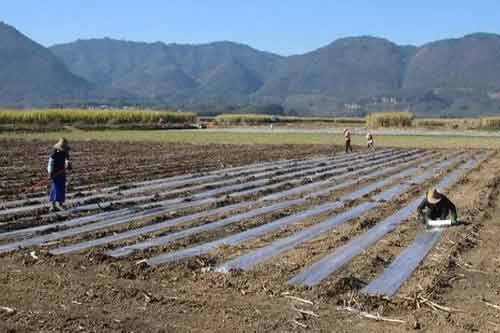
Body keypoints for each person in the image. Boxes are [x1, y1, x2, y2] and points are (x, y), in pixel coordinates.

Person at [47, 138, 72, 211]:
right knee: (55, 187)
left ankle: (60, 204)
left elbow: (67, 160)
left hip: (61, 171)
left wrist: (68, 164)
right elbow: (50, 163)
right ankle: (53, 205)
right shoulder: (54, 152)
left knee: (62, 187)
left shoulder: (65, 152)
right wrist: (50, 172)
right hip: (55, 172)